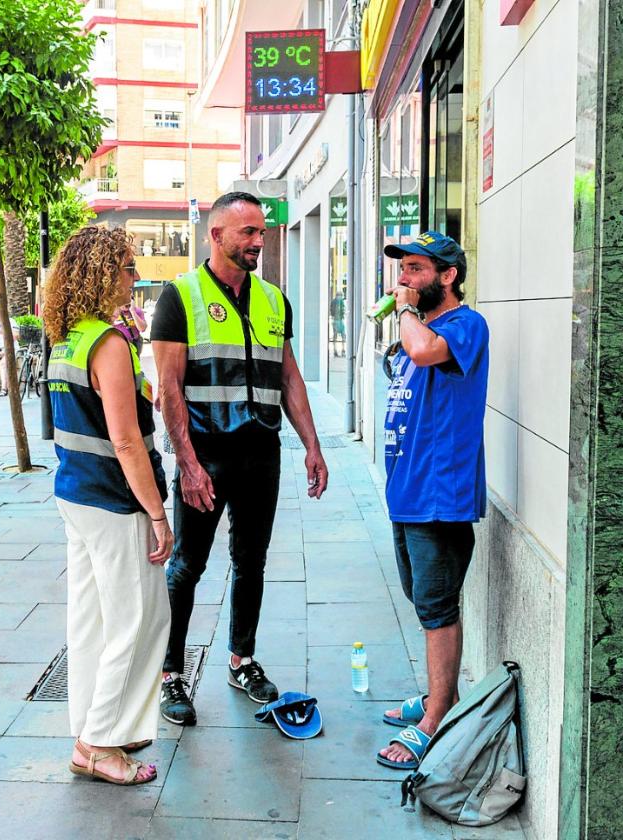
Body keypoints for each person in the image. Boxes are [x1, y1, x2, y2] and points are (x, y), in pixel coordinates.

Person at [151, 191, 329, 725]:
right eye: (248, 232)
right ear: (217, 236)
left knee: (251, 561)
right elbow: (169, 387)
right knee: (188, 566)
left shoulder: (275, 300)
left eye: (261, 231)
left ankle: (241, 658)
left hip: (260, 454)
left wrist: (313, 446)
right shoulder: (178, 297)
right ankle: (170, 674)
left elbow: (288, 375)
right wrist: (187, 463)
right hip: (206, 457)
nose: (258, 240)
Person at [45, 225, 173, 786]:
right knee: (140, 620)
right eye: (127, 266)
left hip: (76, 495)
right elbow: (124, 441)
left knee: (93, 620)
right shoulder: (110, 344)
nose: (136, 275)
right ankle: (99, 744)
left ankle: (97, 725)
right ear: (101, 272)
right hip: (115, 500)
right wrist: (158, 512)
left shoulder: (69, 338)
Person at [373, 231, 490, 772]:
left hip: (440, 496)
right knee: (423, 602)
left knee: (438, 608)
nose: (404, 279)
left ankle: (438, 712)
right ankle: (433, 692)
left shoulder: (465, 325)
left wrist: (403, 314)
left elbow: (423, 353)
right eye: (403, 270)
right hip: (408, 492)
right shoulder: (417, 328)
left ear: (447, 276)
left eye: (416, 270)